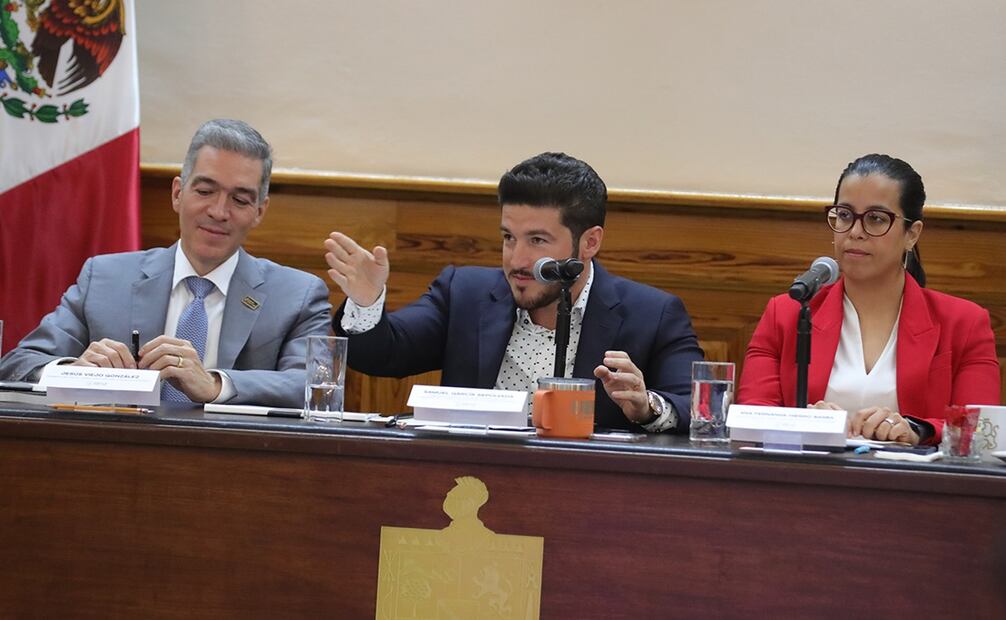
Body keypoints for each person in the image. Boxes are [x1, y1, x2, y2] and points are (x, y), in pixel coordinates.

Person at [325, 152, 703, 432]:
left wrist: (647, 407)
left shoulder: (652, 314)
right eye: (509, 237)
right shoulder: (464, 293)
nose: (518, 260)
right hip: (471, 488)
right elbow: (383, 355)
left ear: (589, 242)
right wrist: (366, 301)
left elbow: (695, 409)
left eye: (537, 240)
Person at [0, 119, 332, 407]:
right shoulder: (104, 278)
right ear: (177, 194)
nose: (219, 211)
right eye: (205, 191)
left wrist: (215, 385)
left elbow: (313, 386)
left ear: (259, 211)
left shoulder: (296, 296)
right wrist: (75, 371)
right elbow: (18, 364)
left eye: (240, 199)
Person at [737, 154, 1000, 445]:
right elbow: (752, 415)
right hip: (810, 473)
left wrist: (917, 429)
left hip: (913, 473)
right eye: (845, 215)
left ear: (912, 234)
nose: (855, 232)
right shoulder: (787, 313)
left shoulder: (964, 322)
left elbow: (981, 431)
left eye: (876, 219)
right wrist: (805, 423)